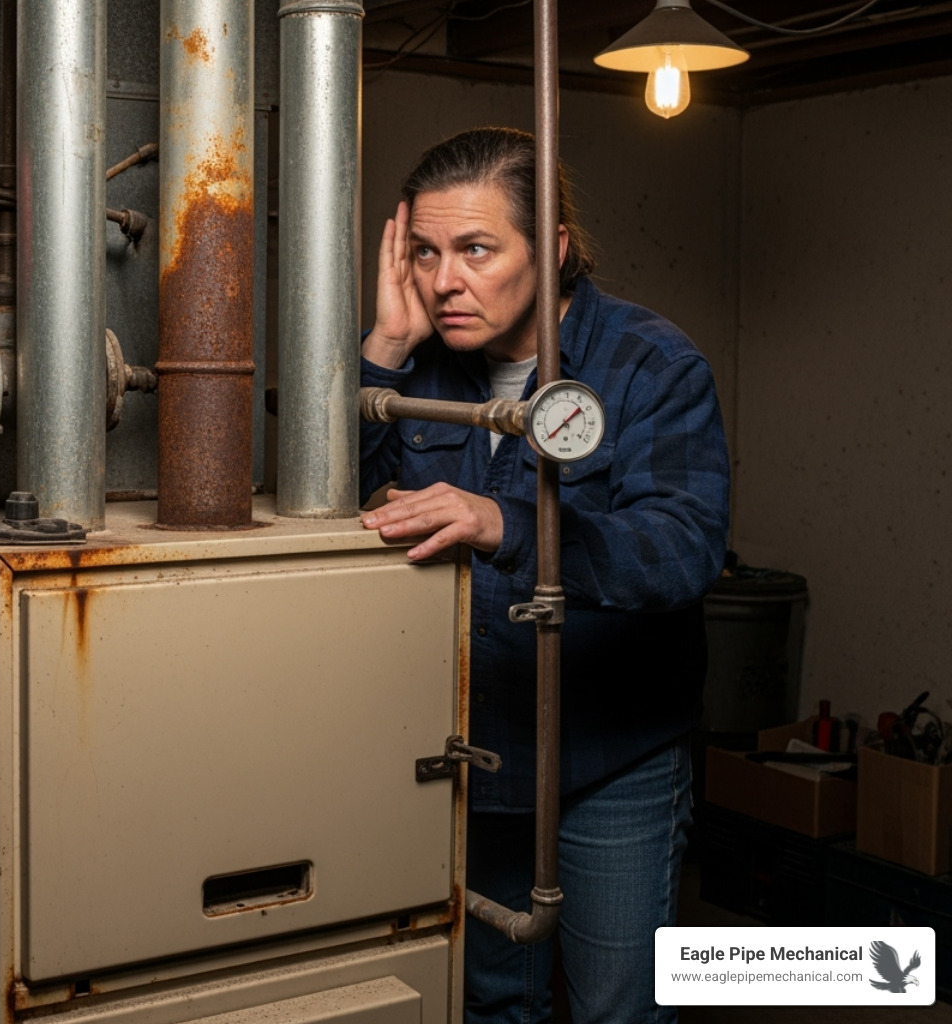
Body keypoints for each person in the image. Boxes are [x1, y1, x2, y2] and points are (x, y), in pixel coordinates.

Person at [359, 127, 730, 1024]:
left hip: (612, 759)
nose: (445, 280)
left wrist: (505, 524)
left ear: (554, 247)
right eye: (425, 253)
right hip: (476, 750)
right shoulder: (419, 366)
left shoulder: (653, 365)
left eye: (476, 249)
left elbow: (682, 550)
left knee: (616, 1008)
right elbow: (330, 515)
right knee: (490, 1001)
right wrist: (382, 351)